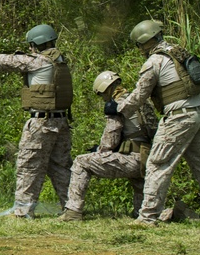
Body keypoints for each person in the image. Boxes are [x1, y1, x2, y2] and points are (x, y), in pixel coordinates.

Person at [110, 20, 200, 225]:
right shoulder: (179, 52)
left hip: (178, 118)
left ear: (144, 42)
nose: (140, 50)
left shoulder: (154, 61)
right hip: (199, 114)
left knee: (157, 164)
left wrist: (119, 108)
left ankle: (147, 217)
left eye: (139, 46)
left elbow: (140, 95)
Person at [0, 24, 73, 219]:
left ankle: (22, 211)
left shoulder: (39, 62)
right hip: (61, 121)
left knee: (28, 164)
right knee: (60, 167)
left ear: (36, 43)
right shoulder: (60, 61)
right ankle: (72, 207)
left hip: (42, 122)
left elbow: (12, 61)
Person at [57, 70, 157, 222]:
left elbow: (111, 138)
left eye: (101, 94)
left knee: (81, 162)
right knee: (141, 199)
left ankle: (73, 212)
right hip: (147, 158)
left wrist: (100, 150)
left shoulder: (116, 105)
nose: (103, 99)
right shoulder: (141, 102)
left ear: (106, 89)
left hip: (131, 159)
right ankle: (164, 212)